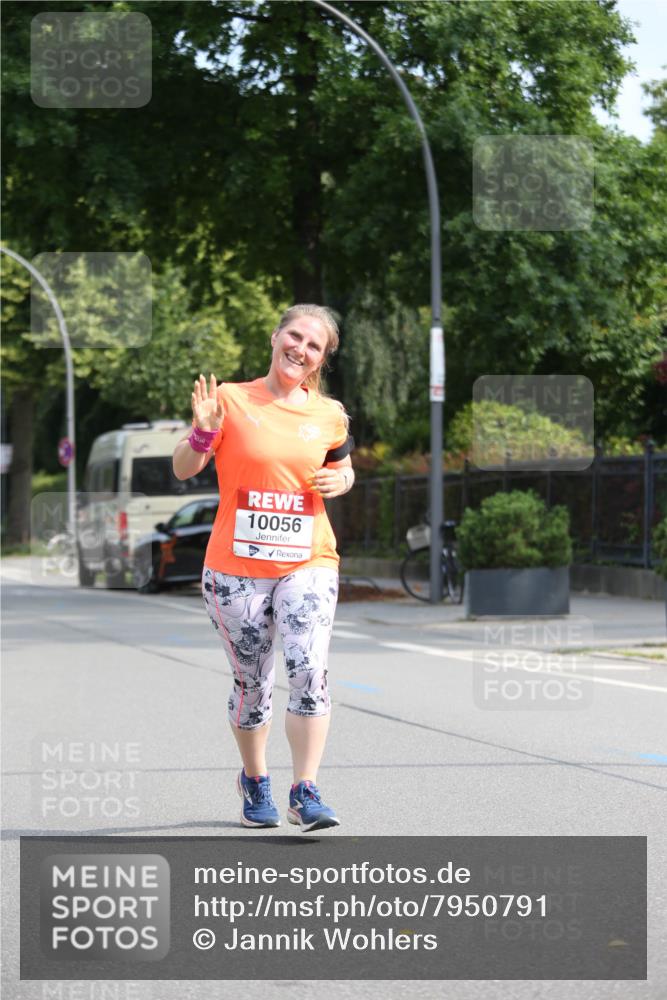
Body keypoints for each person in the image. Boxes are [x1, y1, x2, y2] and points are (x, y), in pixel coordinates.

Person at [172, 304, 354, 832]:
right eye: (294, 336)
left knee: (307, 668)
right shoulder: (229, 399)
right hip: (235, 568)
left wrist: (341, 482)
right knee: (253, 682)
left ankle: (306, 789)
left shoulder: (329, 415)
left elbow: (341, 470)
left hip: (309, 561)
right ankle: (255, 779)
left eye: (313, 345)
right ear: (275, 338)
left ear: (321, 358)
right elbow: (184, 466)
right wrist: (204, 434)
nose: (300, 348)